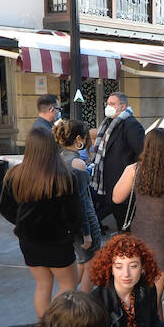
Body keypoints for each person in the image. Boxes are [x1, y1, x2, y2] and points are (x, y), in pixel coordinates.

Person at [0, 128, 83, 318]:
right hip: (58, 242)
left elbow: (5, 208)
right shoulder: (65, 177)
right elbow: (75, 216)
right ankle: (53, 325)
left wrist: (23, 222)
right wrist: (69, 233)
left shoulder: (15, 175)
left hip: (29, 241)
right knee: (69, 286)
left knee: (43, 286)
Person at [111, 128, 164, 297]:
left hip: (138, 238)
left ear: (146, 146)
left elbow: (116, 198)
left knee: (137, 296)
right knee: (155, 299)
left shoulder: (134, 170)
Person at [55, 119, 102, 286]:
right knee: (92, 266)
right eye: (86, 137)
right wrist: (87, 233)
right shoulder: (77, 163)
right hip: (84, 222)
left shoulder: (59, 159)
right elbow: (82, 201)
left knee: (83, 262)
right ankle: (80, 301)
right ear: (78, 139)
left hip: (69, 221)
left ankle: (71, 297)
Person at [91, 91, 145, 231]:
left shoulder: (131, 125)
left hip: (125, 184)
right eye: (107, 103)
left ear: (123, 106)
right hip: (110, 183)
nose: (108, 106)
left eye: (112, 104)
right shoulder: (108, 123)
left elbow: (142, 153)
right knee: (119, 220)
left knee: (126, 223)